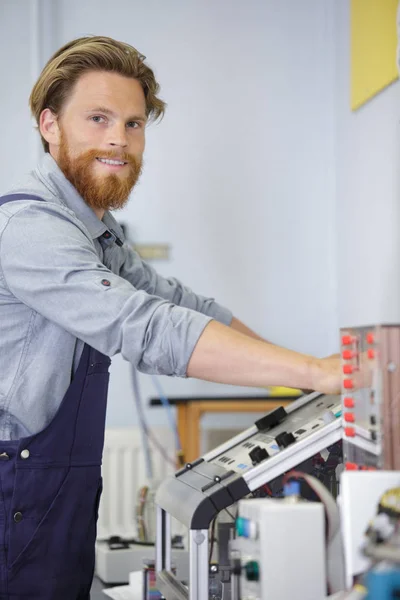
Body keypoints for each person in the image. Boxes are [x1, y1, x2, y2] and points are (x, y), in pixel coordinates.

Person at [0, 36, 341, 598]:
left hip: (51, 507)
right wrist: (317, 374)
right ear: (49, 125)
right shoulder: (32, 231)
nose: (119, 139)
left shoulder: (96, 235)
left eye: (133, 124)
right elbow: (146, 325)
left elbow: (182, 306)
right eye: (98, 118)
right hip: (15, 500)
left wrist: (303, 382)